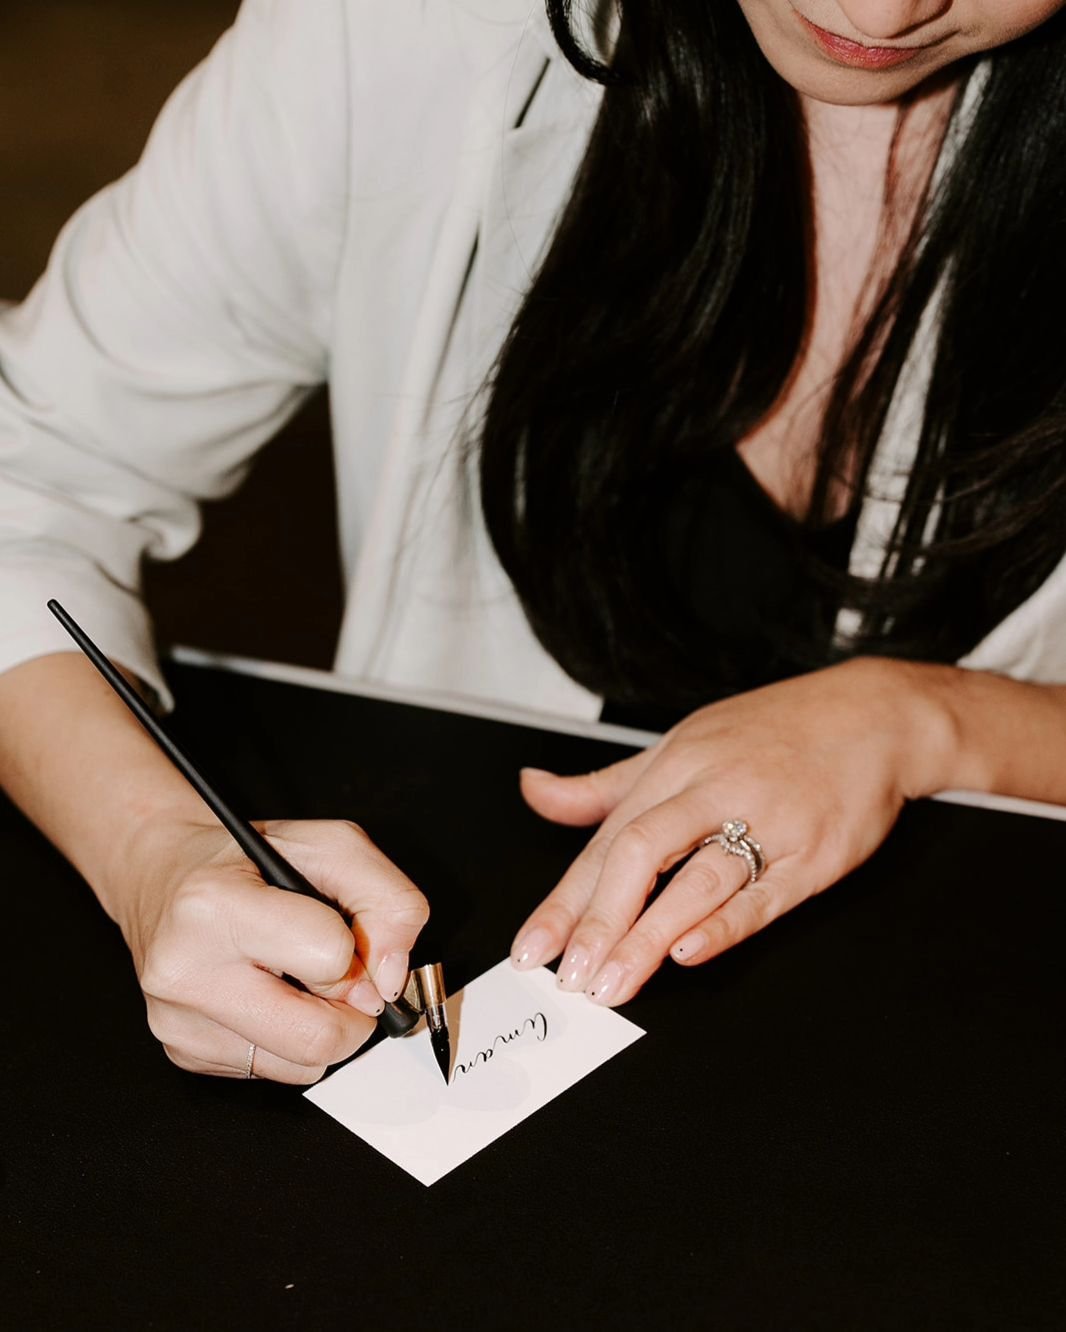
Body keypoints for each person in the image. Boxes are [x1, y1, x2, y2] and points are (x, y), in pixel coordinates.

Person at [2, 0, 1065, 1082]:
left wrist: (934, 723)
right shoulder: (407, 33)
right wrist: (152, 849)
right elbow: (27, 474)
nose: (882, 9)